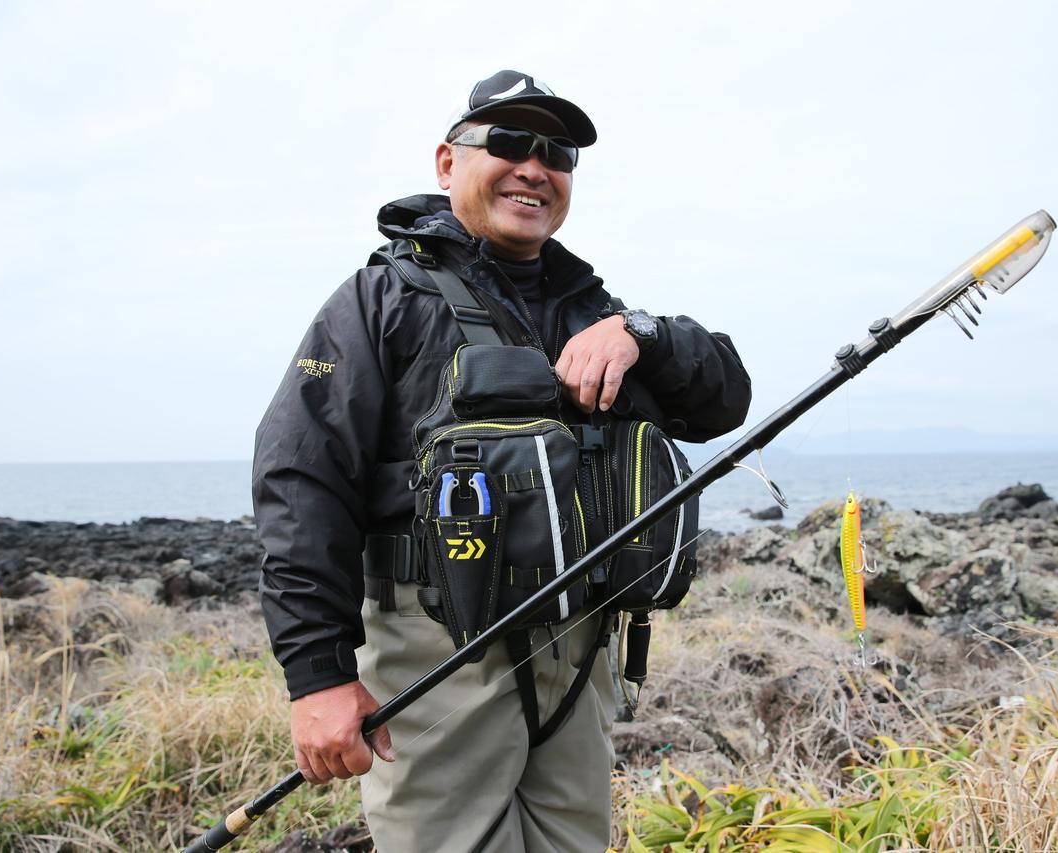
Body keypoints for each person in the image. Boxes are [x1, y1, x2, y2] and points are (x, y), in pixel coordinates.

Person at [253, 69, 752, 851]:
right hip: (438, 649)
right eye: (510, 142)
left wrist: (642, 331)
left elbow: (725, 397)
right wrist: (318, 674)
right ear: (448, 164)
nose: (535, 166)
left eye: (556, 152)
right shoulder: (376, 301)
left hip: (582, 649)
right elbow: (300, 481)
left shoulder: (594, 307)